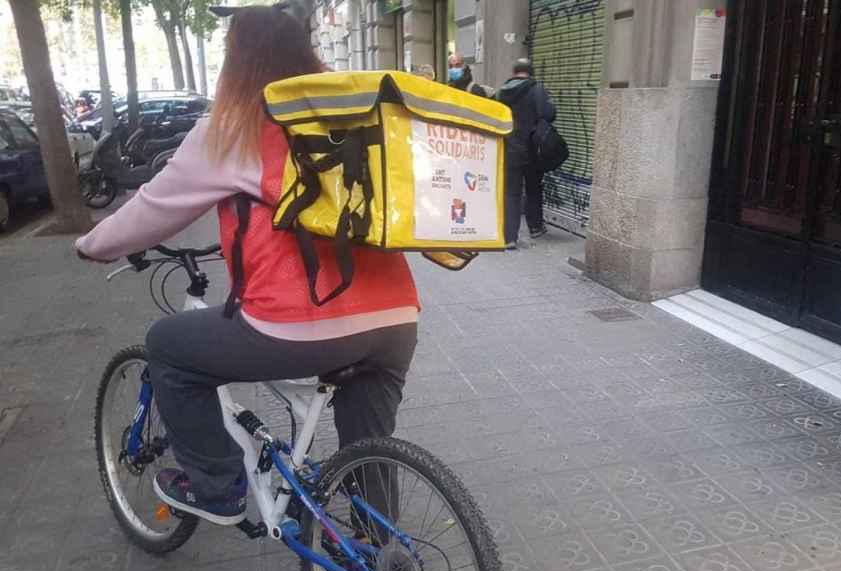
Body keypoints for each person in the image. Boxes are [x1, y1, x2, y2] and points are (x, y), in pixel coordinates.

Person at [75, 5, 419, 526]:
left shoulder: (232, 130)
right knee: (370, 447)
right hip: (395, 317)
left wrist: (92, 245)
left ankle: (215, 485)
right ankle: (382, 546)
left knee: (168, 345)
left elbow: (154, 209)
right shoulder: (350, 119)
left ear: (236, 61)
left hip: (301, 325)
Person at [498, 58, 555, 247]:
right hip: (531, 149)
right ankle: (535, 227)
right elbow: (548, 114)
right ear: (530, 72)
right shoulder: (536, 89)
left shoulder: (501, 92)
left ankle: (509, 237)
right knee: (533, 188)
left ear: (514, 72)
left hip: (508, 148)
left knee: (511, 193)